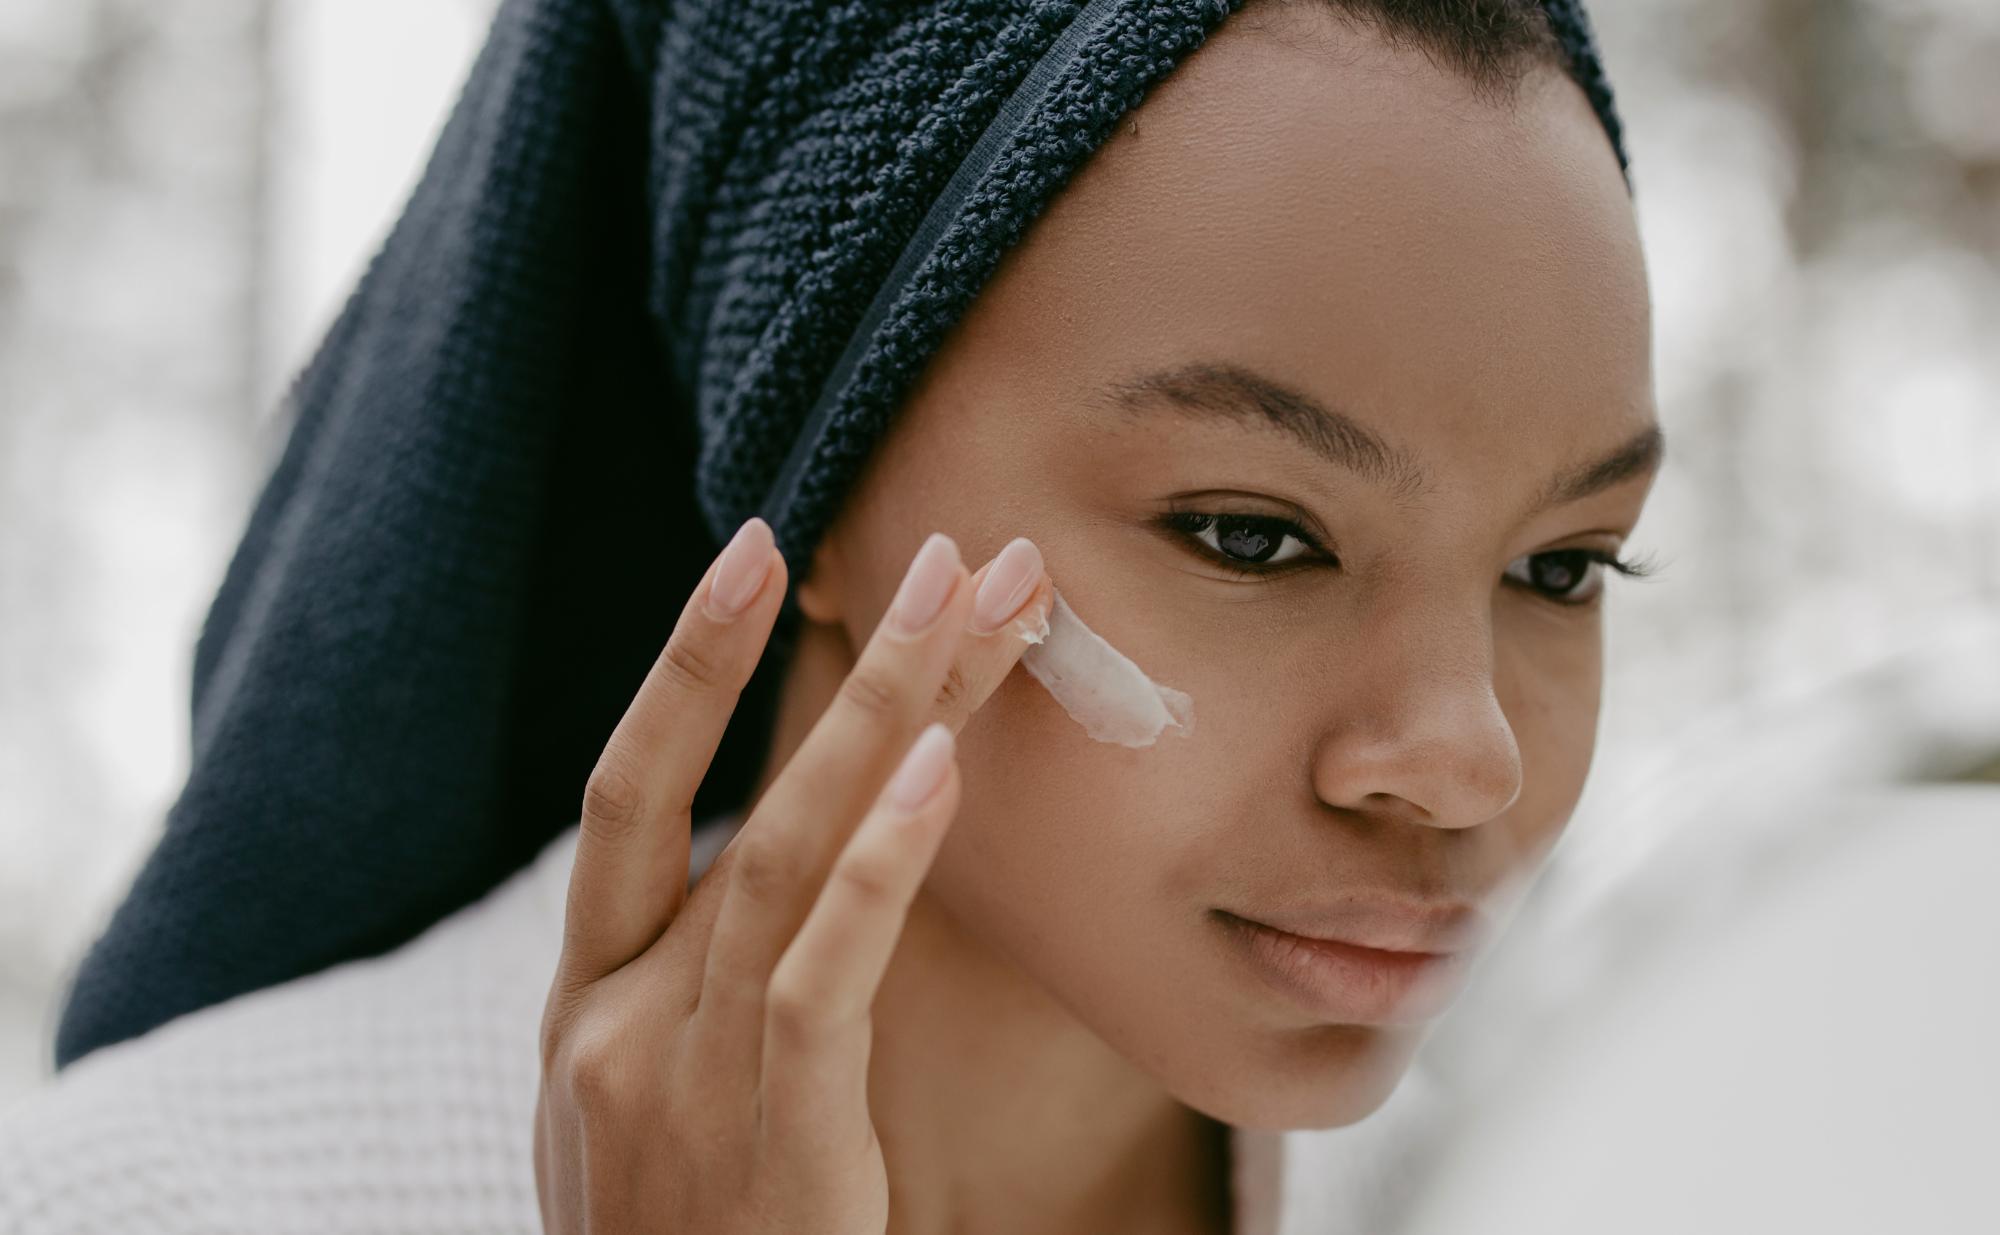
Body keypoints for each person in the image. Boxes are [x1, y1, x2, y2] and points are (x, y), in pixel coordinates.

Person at [0, 0, 1655, 1230]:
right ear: (821, 504)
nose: (1463, 760)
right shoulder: (163, 1200)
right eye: (1252, 533)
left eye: (1562, 565)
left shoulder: (1601, 1175)